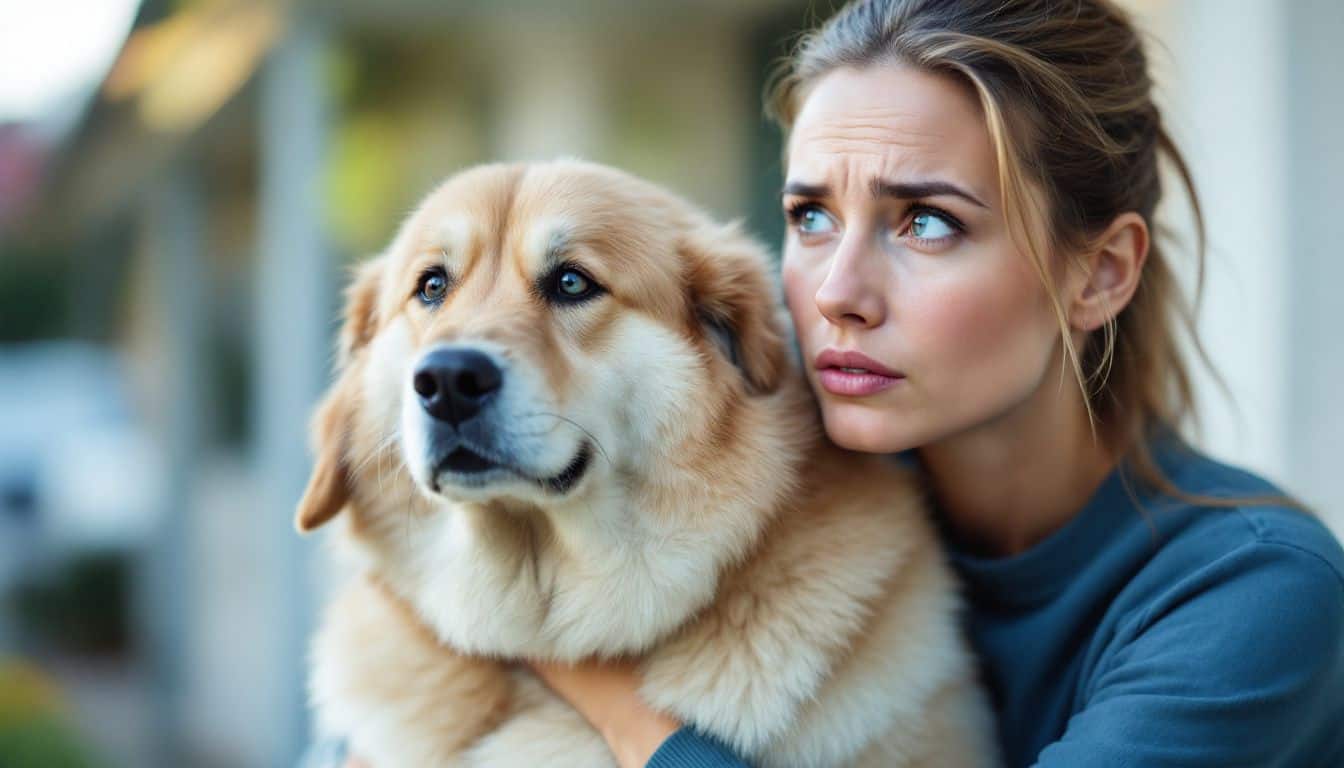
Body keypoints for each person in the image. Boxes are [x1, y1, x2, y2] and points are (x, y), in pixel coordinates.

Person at [332, 1, 1344, 765]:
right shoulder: (759, 481)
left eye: (927, 222)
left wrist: (612, 699)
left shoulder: (1256, 591)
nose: (838, 293)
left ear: (1101, 273)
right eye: (812, 217)